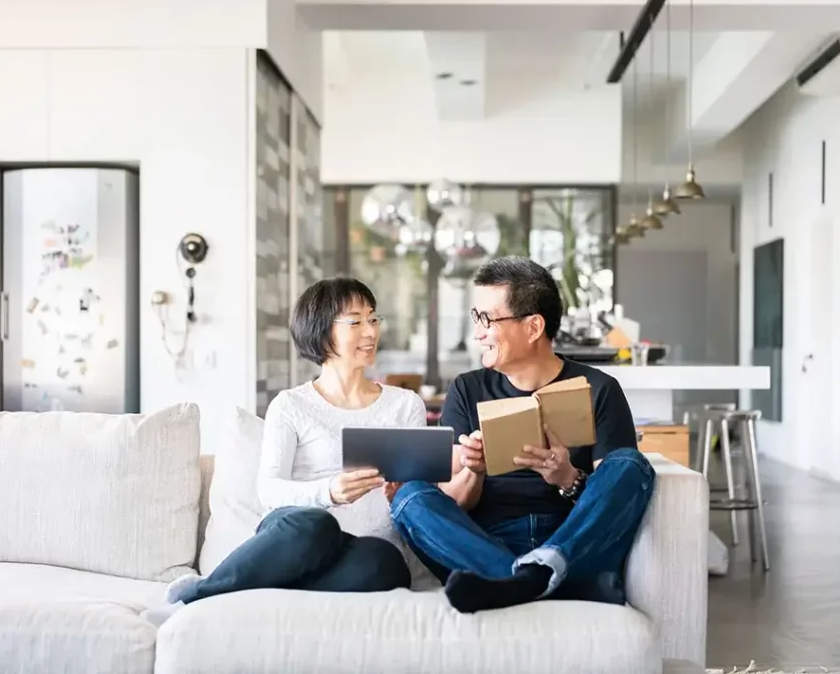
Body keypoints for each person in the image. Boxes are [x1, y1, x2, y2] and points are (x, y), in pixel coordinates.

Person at [388, 256, 656, 614]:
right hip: (485, 541)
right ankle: (534, 579)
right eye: (476, 318)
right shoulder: (467, 389)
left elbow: (614, 496)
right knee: (410, 497)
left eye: (487, 319)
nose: (478, 331)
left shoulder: (600, 388)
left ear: (533, 327)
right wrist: (474, 471)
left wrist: (568, 478)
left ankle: (520, 580)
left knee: (630, 464)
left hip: (570, 537)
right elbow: (455, 502)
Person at [162, 277, 422, 608]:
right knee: (317, 523)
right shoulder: (290, 405)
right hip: (299, 535)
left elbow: (419, 487)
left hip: (362, 549)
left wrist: (409, 487)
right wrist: (328, 492)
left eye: (373, 318)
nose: (370, 331)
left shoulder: (405, 404)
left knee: (387, 565)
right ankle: (202, 593)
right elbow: (269, 491)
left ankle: (266, 588)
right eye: (356, 321)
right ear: (322, 330)